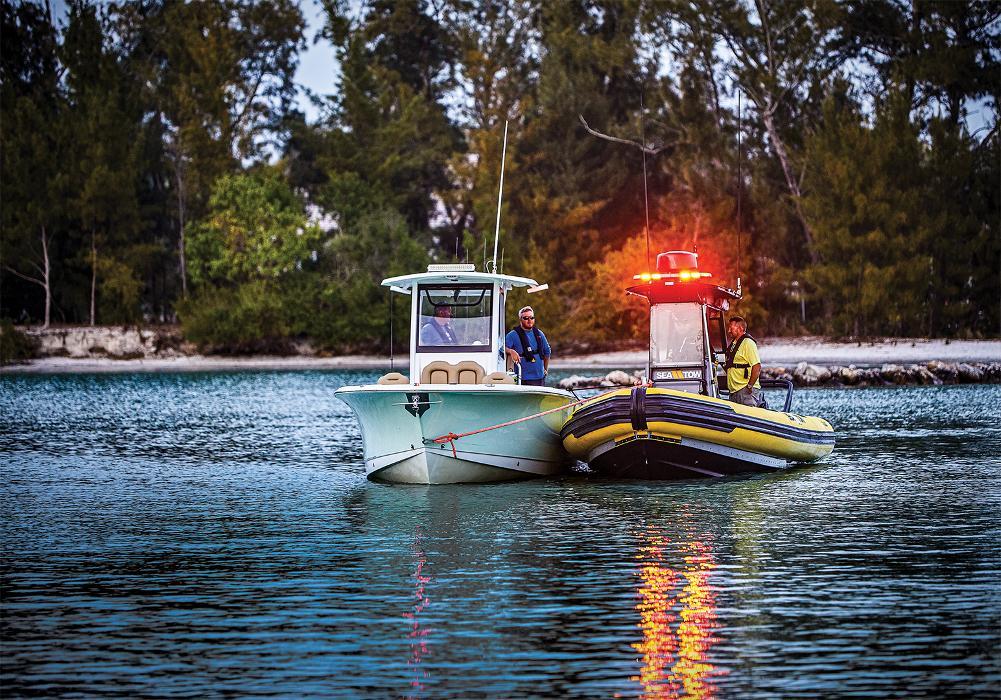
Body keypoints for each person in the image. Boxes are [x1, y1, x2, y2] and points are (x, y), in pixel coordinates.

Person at [724, 316, 766, 408]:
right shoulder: (734, 344)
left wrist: (750, 386)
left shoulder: (748, 343)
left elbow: (757, 367)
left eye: (731, 328)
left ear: (740, 328)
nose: (729, 331)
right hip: (734, 391)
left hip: (745, 391)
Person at [505, 305, 551, 386]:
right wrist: (511, 351)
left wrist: (545, 369)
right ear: (520, 319)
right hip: (523, 378)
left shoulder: (539, 333)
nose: (529, 320)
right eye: (526, 318)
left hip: (540, 377)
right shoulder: (512, 335)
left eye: (531, 318)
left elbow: (547, 351)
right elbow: (501, 348)